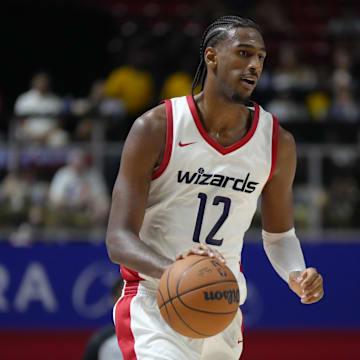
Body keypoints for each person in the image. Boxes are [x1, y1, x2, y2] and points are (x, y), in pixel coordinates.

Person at [106, 15, 324, 360]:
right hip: (156, 303)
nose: (254, 65)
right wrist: (179, 275)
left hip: (222, 308)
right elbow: (118, 239)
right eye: (243, 53)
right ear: (212, 57)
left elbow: (280, 237)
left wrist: (296, 273)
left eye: (261, 58)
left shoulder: (277, 143)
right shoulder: (156, 128)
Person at [83, 276, 124, 360]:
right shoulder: (101, 342)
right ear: (114, 299)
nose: (130, 302)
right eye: (123, 295)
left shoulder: (153, 334)